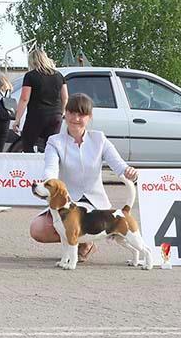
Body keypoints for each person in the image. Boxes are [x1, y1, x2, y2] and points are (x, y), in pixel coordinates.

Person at [28, 93, 138, 262]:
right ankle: (82, 241)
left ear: (89, 117)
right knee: (38, 229)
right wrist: (48, 185)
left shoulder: (99, 139)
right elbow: (50, 168)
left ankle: (86, 241)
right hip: (66, 201)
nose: (76, 118)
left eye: (81, 114)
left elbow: (118, 164)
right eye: (71, 113)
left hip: (95, 204)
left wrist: (128, 171)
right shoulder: (54, 141)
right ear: (65, 113)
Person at [12, 48, 68, 153]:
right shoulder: (59, 76)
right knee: (51, 145)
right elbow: (65, 97)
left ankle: (31, 167)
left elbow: (24, 99)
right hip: (55, 116)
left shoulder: (30, 76)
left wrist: (17, 119)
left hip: (36, 115)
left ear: (32, 62)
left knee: (27, 143)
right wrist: (61, 112)